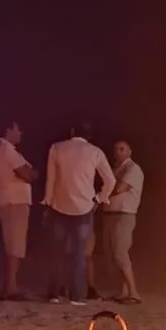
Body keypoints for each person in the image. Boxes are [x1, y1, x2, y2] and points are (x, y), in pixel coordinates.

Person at [40, 121, 114, 305]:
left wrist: (47, 201)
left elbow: (51, 179)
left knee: (56, 253)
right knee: (79, 253)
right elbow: (110, 180)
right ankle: (76, 295)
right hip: (84, 208)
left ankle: (54, 294)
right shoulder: (95, 152)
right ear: (89, 135)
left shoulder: (57, 148)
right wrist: (98, 198)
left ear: (72, 131)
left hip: (59, 205)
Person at [0, 120, 37, 300]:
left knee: (13, 244)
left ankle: (12, 285)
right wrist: (32, 173)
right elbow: (27, 174)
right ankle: (11, 287)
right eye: (18, 129)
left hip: (8, 199)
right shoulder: (7, 150)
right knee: (15, 244)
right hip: (14, 200)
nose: (21, 133)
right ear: (8, 130)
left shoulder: (2, 150)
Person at [101, 139, 144, 303]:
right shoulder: (116, 169)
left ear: (129, 152)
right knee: (113, 254)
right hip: (111, 214)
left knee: (120, 253)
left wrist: (102, 194)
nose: (118, 152)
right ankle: (124, 291)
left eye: (122, 149)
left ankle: (133, 292)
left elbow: (119, 188)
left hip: (124, 214)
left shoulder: (133, 169)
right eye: (116, 149)